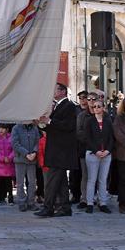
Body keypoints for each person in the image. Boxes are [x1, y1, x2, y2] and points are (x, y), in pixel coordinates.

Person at [35, 82, 78, 218]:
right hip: (56, 150)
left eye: (55, 90)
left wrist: (49, 122)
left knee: (52, 181)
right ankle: (65, 208)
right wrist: (41, 124)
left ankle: (48, 208)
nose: (53, 92)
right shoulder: (58, 106)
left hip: (61, 151)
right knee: (61, 182)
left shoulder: (69, 106)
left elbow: (69, 126)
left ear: (63, 92)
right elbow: (53, 127)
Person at [84, 97, 114, 214]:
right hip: (92, 154)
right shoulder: (89, 121)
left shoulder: (108, 121)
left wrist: (108, 150)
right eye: (94, 106)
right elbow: (87, 138)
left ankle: (103, 203)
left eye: (98, 106)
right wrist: (96, 150)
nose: (96, 108)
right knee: (92, 179)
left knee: (103, 179)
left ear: (103, 108)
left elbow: (112, 138)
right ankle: (90, 203)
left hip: (106, 154)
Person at [12, 119, 40, 212]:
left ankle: (31, 202)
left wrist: (35, 152)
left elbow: (37, 141)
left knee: (32, 182)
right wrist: (26, 153)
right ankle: (21, 202)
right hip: (20, 159)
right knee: (20, 183)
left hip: (32, 159)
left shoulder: (34, 128)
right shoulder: (16, 128)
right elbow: (15, 144)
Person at [73, 91, 92, 209]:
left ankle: (90, 197)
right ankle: (79, 197)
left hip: (93, 149)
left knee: (91, 175)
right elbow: (77, 131)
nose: (83, 100)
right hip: (78, 147)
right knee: (78, 175)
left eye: (86, 98)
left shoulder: (96, 112)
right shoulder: (76, 111)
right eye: (81, 98)